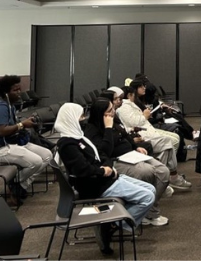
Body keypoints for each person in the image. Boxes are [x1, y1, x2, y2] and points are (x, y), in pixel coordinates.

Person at [55, 103, 156, 255]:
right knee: (147, 197)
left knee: (151, 189)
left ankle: (112, 223)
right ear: (71, 118)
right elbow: (83, 169)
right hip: (95, 185)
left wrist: (109, 167)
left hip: (105, 178)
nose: (84, 119)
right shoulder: (67, 144)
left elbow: (102, 155)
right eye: (81, 116)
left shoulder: (79, 137)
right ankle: (112, 225)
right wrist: (104, 171)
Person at [84, 97, 170, 227]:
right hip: (114, 161)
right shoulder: (93, 130)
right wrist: (107, 128)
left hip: (131, 155)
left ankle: (148, 209)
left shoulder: (113, 122)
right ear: (100, 113)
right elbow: (105, 152)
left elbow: (125, 136)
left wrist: (136, 147)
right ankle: (150, 213)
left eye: (112, 109)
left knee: (163, 171)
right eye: (109, 110)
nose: (113, 112)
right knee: (147, 171)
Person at [0, 75, 52, 204]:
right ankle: (14, 184)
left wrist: (24, 124)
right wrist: (22, 125)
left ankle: (19, 185)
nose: (19, 93)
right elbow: (0, 131)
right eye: (15, 90)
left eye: (20, 89)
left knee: (47, 155)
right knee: (35, 161)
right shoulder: (1, 108)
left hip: (11, 144)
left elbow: (13, 128)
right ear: (6, 93)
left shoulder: (10, 107)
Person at [116, 86, 192, 190]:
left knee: (168, 145)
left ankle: (165, 178)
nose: (144, 88)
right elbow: (134, 123)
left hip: (143, 132)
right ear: (130, 95)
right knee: (168, 142)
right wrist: (145, 115)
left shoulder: (128, 105)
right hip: (141, 135)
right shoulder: (124, 107)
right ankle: (168, 177)